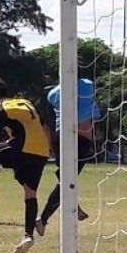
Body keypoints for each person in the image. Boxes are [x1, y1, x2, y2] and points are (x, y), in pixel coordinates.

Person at [0, 78, 50, 253]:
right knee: (30, 193)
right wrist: (48, 150)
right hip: (41, 152)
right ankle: (28, 235)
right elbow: (45, 127)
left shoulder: (0, 109)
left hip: (22, 148)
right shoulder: (26, 102)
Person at [35, 78, 101, 236]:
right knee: (66, 183)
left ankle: (72, 204)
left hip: (60, 137)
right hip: (80, 140)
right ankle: (43, 219)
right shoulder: (87, 85)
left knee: (66, 180)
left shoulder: (52, 94)